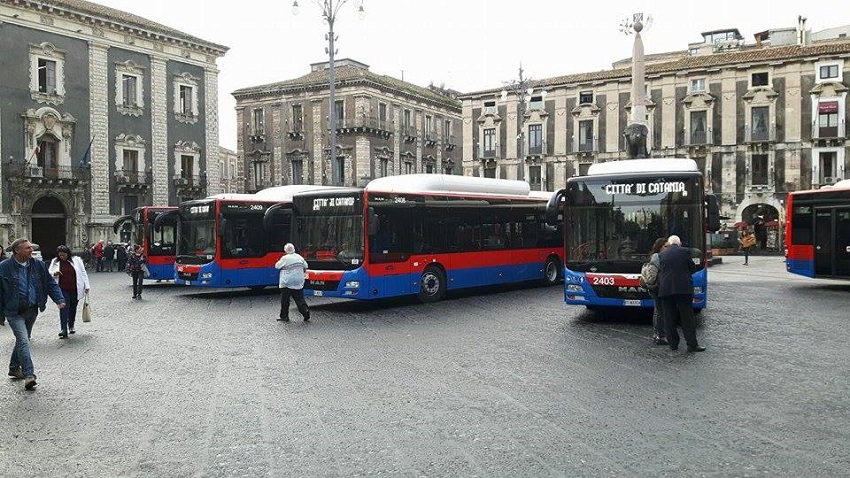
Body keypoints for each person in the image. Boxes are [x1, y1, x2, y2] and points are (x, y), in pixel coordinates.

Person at [0, 238, 66, 390]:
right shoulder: (4, 267)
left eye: (32, 248)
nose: (32, 250)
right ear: (17, 251)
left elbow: (49, 283)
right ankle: (29, 374)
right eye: (28, 248)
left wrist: (59, 299)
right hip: (13, 311)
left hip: (32, 309)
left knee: (24, 339)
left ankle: (13, 367)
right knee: (23, 340)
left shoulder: (38, 265)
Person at [657, 235, 705, 353]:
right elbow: (692, 268)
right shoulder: (685, 252)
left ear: (668, 243)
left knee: (669, 318)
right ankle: (692, 345)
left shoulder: (661, 254)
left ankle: (673, 344)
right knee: (687, 317)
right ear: (680, 243)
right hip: (683, 289)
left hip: (666, 289)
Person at [47, 245, 90, 338]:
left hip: (75, 288)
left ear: (68, 254)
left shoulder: (77, 260)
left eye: (64, 255)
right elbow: (49, 273)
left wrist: (87, 285)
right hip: (62, 289)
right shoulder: (55, 261)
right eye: (60, 255)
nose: (62, 257)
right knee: (63, 307)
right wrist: (55, 273)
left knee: (72, 308)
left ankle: (71, 325)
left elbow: (83, 272)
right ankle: (63, 329)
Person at [275, 243, 310, 322]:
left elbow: (277, 266)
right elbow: (306, 266)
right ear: (294, 249)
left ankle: (284, 317)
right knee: (299, 299)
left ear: (285, 250)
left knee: (285, 300)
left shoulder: (285, 258)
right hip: (298, 281)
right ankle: (306, 312)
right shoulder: (299, 257)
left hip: (286, 282)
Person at [646, 237, 668, 346]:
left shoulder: (656, 256)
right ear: (660, 247)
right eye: (665, 246)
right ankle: (660, 335)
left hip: (655, 287)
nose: (667, 248)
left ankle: (656, 333)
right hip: (657, 287)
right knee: (660, 312)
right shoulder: (657, 257)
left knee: (657, 311)